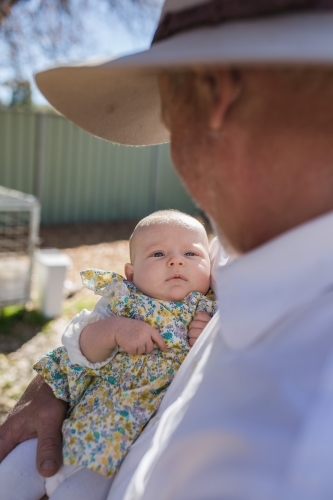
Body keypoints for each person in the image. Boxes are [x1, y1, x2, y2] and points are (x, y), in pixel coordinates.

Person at [1, 0, 333, 498]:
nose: (176, 261)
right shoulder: (235, 254)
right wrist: (51, 386)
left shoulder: (292, 451)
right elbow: (95, 329)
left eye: (169, 113)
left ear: (214, 95)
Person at [0, 210, 215, 499]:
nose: (176, 261)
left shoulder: (209, 313)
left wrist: (206, 339)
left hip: (117, 454)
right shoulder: (122, 301)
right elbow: (78, 348)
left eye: (191, 253)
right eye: (157, 254)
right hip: (72, 424)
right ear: (131, 274)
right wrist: (114, 331)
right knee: (12, 476)